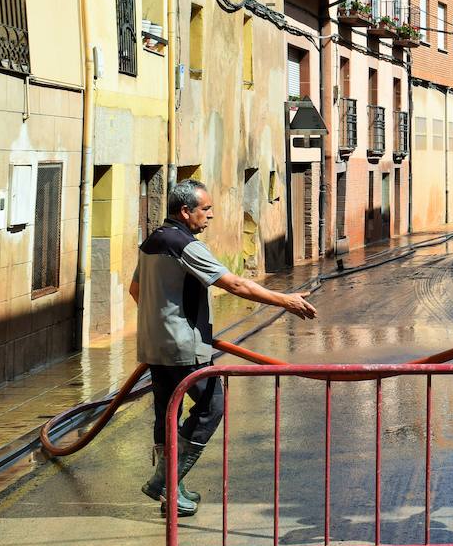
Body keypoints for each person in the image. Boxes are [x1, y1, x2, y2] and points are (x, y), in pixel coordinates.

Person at [130, 179, 318, 516]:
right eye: (205, 209)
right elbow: (234, 283)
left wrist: (160, 319)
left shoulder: (152, 241)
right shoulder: (187, 246)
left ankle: (173, 491)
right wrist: (284, 301)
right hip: (184, 347)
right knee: (211, 405)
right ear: (185, 211)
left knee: (166, 415)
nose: (210, 216)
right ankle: (165, 481)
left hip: (154, 347)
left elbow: (134, 290)